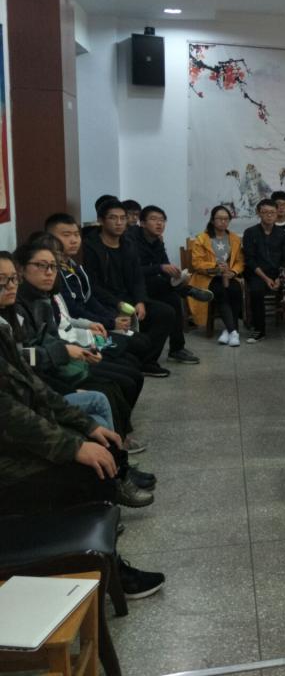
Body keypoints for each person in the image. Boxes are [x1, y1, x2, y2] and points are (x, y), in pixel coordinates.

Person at [0, 313, 165, 598]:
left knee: (103, 445)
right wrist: (74, 447)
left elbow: (39, 390)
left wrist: (88, 426)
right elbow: (12, 417)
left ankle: (98, 556)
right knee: (91, 470)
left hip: (18, 445)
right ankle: (108, 571)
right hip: (7, 466)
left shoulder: (4, 331)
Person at [5, 246, 153, 504]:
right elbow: (14, 408)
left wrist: (86, 425)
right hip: (18, 436)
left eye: (11, 279)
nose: (9, 286)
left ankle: (118, 469)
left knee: (117, 381)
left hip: (44, 389)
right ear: (25, 268)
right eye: (41, 266)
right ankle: (114, 478)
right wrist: (74, 444)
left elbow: (32, 379)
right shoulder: (18, 311)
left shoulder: (29, 306)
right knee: (104, 394)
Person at [46, 212, 154, 369]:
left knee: (141, 342)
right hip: (80, 330)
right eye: (66, 235)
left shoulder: (74, 266)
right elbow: (73, 310)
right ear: (50, 239)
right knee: (134, 351)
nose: (74, 240)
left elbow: (90, 299)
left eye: (76, 234)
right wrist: (110, 323)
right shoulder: (54, 274)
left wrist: (112, 318)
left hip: (93, 325)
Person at [83, 199, 175, 376]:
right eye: (113, 218)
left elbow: (137, 278)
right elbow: (92, 286)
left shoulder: (128, 244)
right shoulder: (90, 247)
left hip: (129, 299)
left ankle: (147, 362)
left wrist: (140, 300)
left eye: (122, 218)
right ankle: (129, 360)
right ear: (101, 220)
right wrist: (117, 304)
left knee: (165, 312)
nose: (119, 223)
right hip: (104, 302)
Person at [135, 205, 208, 364]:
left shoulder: (157, 241)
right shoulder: (131, 241)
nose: (159, 223)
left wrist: (178, 276)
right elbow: (133, 271)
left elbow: (165, 266)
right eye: (154, 219)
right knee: (168, 291)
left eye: (162, 220)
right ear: (142, 223)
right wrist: (160, 268)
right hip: (136, 287)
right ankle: (187, 290)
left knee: (173, 298)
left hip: (152, 284)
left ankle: (177, 349)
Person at [189, 205, 245, 346]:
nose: (223, 222)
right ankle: (233, 331)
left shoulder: (234, 238)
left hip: (228, 276)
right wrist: (214, 267)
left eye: (226, 219)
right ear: (213, 220)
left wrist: (233, 272)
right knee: (220, 292)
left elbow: (240, 261)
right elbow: (197, 263)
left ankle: (228, 330)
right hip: (208, 277)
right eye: (219, 218)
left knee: (235, 289)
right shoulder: (202, 238)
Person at [242, 198, 285, 343]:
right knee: (256, 291)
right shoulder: (250, 232)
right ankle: (259, 330)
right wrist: (266, 278)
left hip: (278, 273)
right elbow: (250, 259)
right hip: (257, 273)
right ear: (259, 213)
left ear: (277, 214)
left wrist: (279, 278)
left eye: (272, 212)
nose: (269, 215)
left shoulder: (283, 234)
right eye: (265, 212)